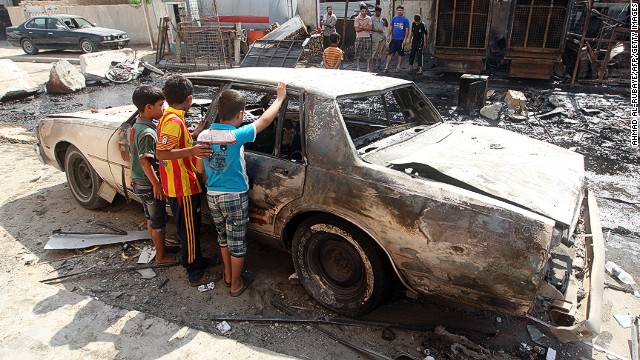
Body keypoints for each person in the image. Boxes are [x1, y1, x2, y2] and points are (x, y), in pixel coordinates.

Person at [197, 82, 288, 297]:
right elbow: (264, 120)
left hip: (213, 196)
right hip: (234, 196)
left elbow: (200, 169)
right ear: (241, 113)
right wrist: (279, 99)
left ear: (219, 111)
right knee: (237, 241)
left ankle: (228, 275)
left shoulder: (202, 137)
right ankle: (236, 284)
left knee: (223, 238)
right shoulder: (235, 136)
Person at [156, 75, 213, 287]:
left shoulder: (170, 117)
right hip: (182, 187)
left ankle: (195, 260)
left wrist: (194, 133)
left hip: (179, 184)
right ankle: (195, 272)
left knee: (189, 228)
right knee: (189, 230)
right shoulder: (173, 121)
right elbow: (162, 153)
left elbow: (175, 142)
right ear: (189, 98)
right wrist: (193, 149)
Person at [129, 86, 176, 265]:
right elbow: (144, 161)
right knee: (158, 221)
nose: (163, 109)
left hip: (139, 182)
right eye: (161, 105)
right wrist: (157, 185)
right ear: (148, 107)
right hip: (149, 185)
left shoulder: (138, 126)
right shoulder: (148, 133)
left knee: (150, 218)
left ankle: (159, 248)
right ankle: (162, 257)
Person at [384, 5, 410, 73]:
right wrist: (388, 35)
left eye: (400, 10)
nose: (399, 11)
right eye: (398, 10)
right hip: (394, 39)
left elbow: (407, 30)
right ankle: (386, 67)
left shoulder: (405, 19)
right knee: (390, 53)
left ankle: (398, 67)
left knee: (400, 54)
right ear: (396, 11)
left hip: (401, 40)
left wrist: (405, 39)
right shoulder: (394, 18)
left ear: (403, 11)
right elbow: (391, 27)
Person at [353, 3, 372, 71]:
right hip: (359, 37)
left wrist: (361, 27)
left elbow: (370, 28)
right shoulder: (357, 18)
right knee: (357, 52)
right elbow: (357, 29)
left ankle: (368, 67)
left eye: (365, 11)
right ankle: (358, 67)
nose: (364, 12)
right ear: (360, 11)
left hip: (367, 36)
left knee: (368, 52)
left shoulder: (369, 18)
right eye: (362, 11)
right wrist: (365, 27)